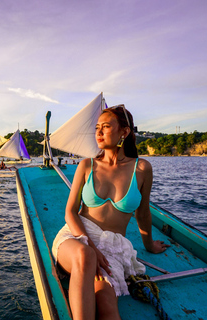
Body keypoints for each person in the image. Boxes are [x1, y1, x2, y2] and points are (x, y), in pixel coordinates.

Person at [51, 105, 169, 320]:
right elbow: (70, 212)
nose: (98, 132)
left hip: (112, 246)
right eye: (97, 127)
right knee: (85, 255)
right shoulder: (87, 165)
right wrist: (91, 247)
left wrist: (149, 245)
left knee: (106, 300)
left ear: (124, 132)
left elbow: (142, 213)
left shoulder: (141, 169)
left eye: (105, 127)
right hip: (78, 236)